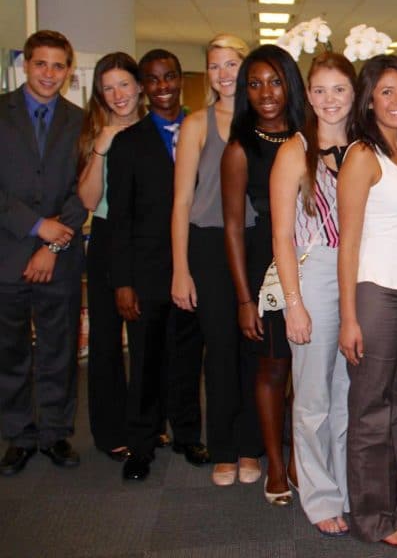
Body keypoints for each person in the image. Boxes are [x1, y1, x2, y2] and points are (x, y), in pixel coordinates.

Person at [337, 55, 397, 547]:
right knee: (370, 411)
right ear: (369, 100)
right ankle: (371, 518)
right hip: (375, 293)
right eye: (387, 92)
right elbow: (348, 242)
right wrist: (348, 317)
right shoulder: (361, 155)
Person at [108, 49, 209, 481]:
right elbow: (120, 218)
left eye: (170, 77)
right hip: (146, 270)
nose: (163, 86)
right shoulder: (128, 142)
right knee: (146, 361)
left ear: (180, 80)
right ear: (143, 87)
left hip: (195, 266)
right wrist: (122, 282)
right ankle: (142, 444)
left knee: (187, 358)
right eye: (153, 79)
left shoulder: (202, 129)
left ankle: (186, 434)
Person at [171, 34, 263, 486]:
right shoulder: (196, 124)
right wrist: (180, 269)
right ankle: (224, 448)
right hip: (208, 248)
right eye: (214, 66)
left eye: (232, 64)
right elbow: (182, 203)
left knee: (257, 351)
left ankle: (252, 447)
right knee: (220, 351)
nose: (224, 74)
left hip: (257, 246)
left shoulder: (265, 118)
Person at [270, 53, 355, 535]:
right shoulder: (294, 151)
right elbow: (281, 235)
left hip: (358, 277)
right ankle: (319, 496)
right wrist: (293, 303)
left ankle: (343, 486)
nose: (328, 100)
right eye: (319, 91)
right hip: (314, 273)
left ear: (353, 92)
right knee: (313, 397)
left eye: (338, 89)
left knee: (348, 394)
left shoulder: (366, 148)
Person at [222, 45, 305, 506]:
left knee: (308, 371)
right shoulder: (240, 148)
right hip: (263, 269)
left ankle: (299, 458)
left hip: (311, 262)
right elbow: (232, 228)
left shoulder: (309, 135)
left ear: (290, 84)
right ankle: (275, 462)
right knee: (273, 368)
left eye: (274, 81)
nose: (265, 92)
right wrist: (243, 298)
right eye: (254, 84)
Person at [0, 30, 85, 476]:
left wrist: (52, 243)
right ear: (25, 65)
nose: (49, 74)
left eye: (58, 66)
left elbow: (83, 192)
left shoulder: (80, 120)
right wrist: (35, 226)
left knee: (58, 350)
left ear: (68, 71)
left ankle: (54, 434)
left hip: (61, 258)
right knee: (9, 353)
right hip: (6, 255)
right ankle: (19, 435)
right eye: (41, 64)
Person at [77, 51, 145, 462]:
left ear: (139, 86)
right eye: (108, 88)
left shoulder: (158, 132)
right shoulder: (96, 134)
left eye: (124, 84)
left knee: (147, 341)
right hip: (105, 241)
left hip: (148, 243)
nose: (118, 95)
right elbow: (88, 200)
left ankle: (146, 424)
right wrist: (102, 148)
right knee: (105, 341)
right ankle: (110, 430)